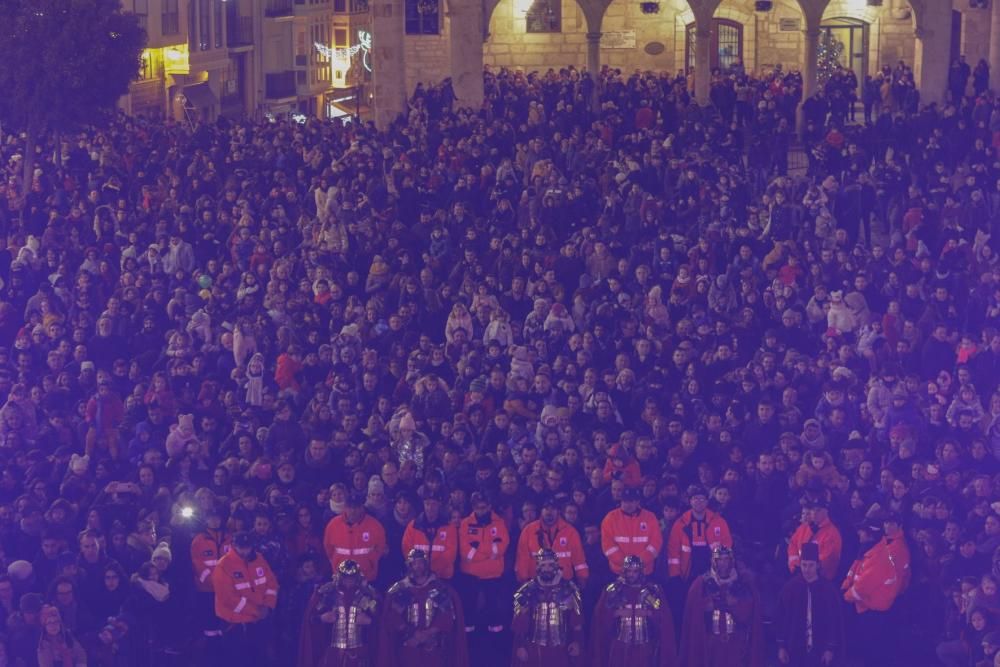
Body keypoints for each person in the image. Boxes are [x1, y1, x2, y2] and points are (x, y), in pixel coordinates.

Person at [378, 549, 468, 667]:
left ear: (426, 564)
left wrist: (426, 634)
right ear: (409, 565)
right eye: (414, 563)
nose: (418, 566)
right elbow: (393, 618)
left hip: (433, 648)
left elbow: (447, 618)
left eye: (420, 562)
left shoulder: (438, 588)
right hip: (409, 646)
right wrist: (412, 634)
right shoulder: (402, 590)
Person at [679, 546, 764, 667]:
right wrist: (707, 605)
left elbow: (750, 612)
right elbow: (693, 612)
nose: (723, 564)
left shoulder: (742, 582)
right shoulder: (702, 583)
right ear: (714, 561)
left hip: (735, 645)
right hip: (711, 645)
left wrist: (736, 604)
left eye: (726, 560)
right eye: (720, 560)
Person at [591, 554, 677, 667]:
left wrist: (648, 613)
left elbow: (663, 617)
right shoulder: (615, 590)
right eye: (629, 571)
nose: (631, 574)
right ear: (624, 571)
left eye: (635, 571)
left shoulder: (651, 590)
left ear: (640, 571)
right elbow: (601, 617)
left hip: (644, 645)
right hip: (620, 644)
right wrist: (616, 613)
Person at [212, 531, 280, 666]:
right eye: (241, 547)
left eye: (247, 547)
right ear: (234, 545)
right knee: (238, 659)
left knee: (259, 657)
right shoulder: (224, 565)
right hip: (235, 624)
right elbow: (228, 598)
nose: (244, 551)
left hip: (258, 620)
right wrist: (256, 611)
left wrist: (268, 606)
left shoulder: (259, 559)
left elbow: (272, 584)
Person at [510, 548, 584, 667]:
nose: (547, 568)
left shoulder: (569, 589)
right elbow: (520, 624)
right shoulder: (528, 590)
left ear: (556, 565)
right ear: (538, 566)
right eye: (543, 565)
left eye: (550, 565)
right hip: (534, 647)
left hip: (561, 647)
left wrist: (576, 641)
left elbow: (576, 622)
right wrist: (520, 646)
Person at [298, 559, 379, 667]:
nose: (349, 581)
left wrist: (370, 621)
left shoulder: (367, 594)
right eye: (346, 577)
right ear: (339, 577)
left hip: (359, 651)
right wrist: (322, 618)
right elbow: (311, 619)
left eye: (352, 577)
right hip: (333, 652)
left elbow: (381, 624)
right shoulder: (328, 593)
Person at [776, 542, 846, 666]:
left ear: (817, 566)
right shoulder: (790, 589)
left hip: (820, 650)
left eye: (810, 565)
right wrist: (782, 646)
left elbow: (834, 621)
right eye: (804, 565)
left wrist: (830, 648)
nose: (807, 570)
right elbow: (781, 618)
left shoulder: (829, 591)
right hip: (795, 648)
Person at [457, 492, 509, 635]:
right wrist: (490, 551)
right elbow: (465, 551)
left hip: (493, 574)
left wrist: (477, 549)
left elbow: (502, 546)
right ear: (473, 507)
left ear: (489, 506)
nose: (481, 510)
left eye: (484, 507)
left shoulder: (499, 523)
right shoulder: (465, 524)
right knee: (470, 608)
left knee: (494, 610)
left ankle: (495, 639)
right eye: (478, 507)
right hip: (470, 574)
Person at [514, 497, 588, 587]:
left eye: (553, 509)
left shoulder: (570, 532)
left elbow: (579, 559)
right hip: (536, 584)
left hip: (563, 584)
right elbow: (522, 558)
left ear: (558, 511)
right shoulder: (528, 531)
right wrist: (523, 580)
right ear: (541, 511)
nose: (549, 512)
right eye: (546, 508)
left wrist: (582, 577)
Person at [667, 485, 732, 582]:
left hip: (713, 571)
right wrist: (674, 574)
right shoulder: (681, 524)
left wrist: (722, 568)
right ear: (690, 501)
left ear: (707, 501)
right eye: (695, 498)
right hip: (687, 572)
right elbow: (673, 551)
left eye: (702, 499)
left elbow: (727, 544)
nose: (698, 502)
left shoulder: (719, 521)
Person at [323, 491, 387, 583]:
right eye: (350, 507)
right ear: (345, 507)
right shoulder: (333, 525)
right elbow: (328, 548)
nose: (353, 511)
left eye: (356, 507)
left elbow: (380, 548)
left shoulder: (375, 526)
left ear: (362, 507)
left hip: (366, 577)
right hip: (341, 577)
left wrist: (370, 562)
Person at [601, 487, 663, 576]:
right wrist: (626, 564)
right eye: (625, 501)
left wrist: (639, 563)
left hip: (644, 571)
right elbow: (608, 546)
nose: (628, 504)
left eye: (632, 501)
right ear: (620, 501)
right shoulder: (610, 519)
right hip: (618, 571)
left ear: (638, 502)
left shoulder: (650, 517)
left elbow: (656, 543)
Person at [402, 490, 458, 580]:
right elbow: (407, 549)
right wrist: (420, 569)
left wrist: (433, 571)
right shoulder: (413, 526)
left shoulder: (449, 527)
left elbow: (450, 554)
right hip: (418, 576)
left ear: (439, 505)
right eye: (427, 504)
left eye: (433, 504)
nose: (430, 507)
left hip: (442, 576)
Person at [787, 498, 842, 581]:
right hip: (799, 575)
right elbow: (793, 545)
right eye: (813, 510)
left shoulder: (832, 534)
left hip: (820, 581)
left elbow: (827, 559)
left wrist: (805, 568)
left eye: (818, 510)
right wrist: (794, 565)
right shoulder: (804, 527)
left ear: (826, 512)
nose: (815, 513)